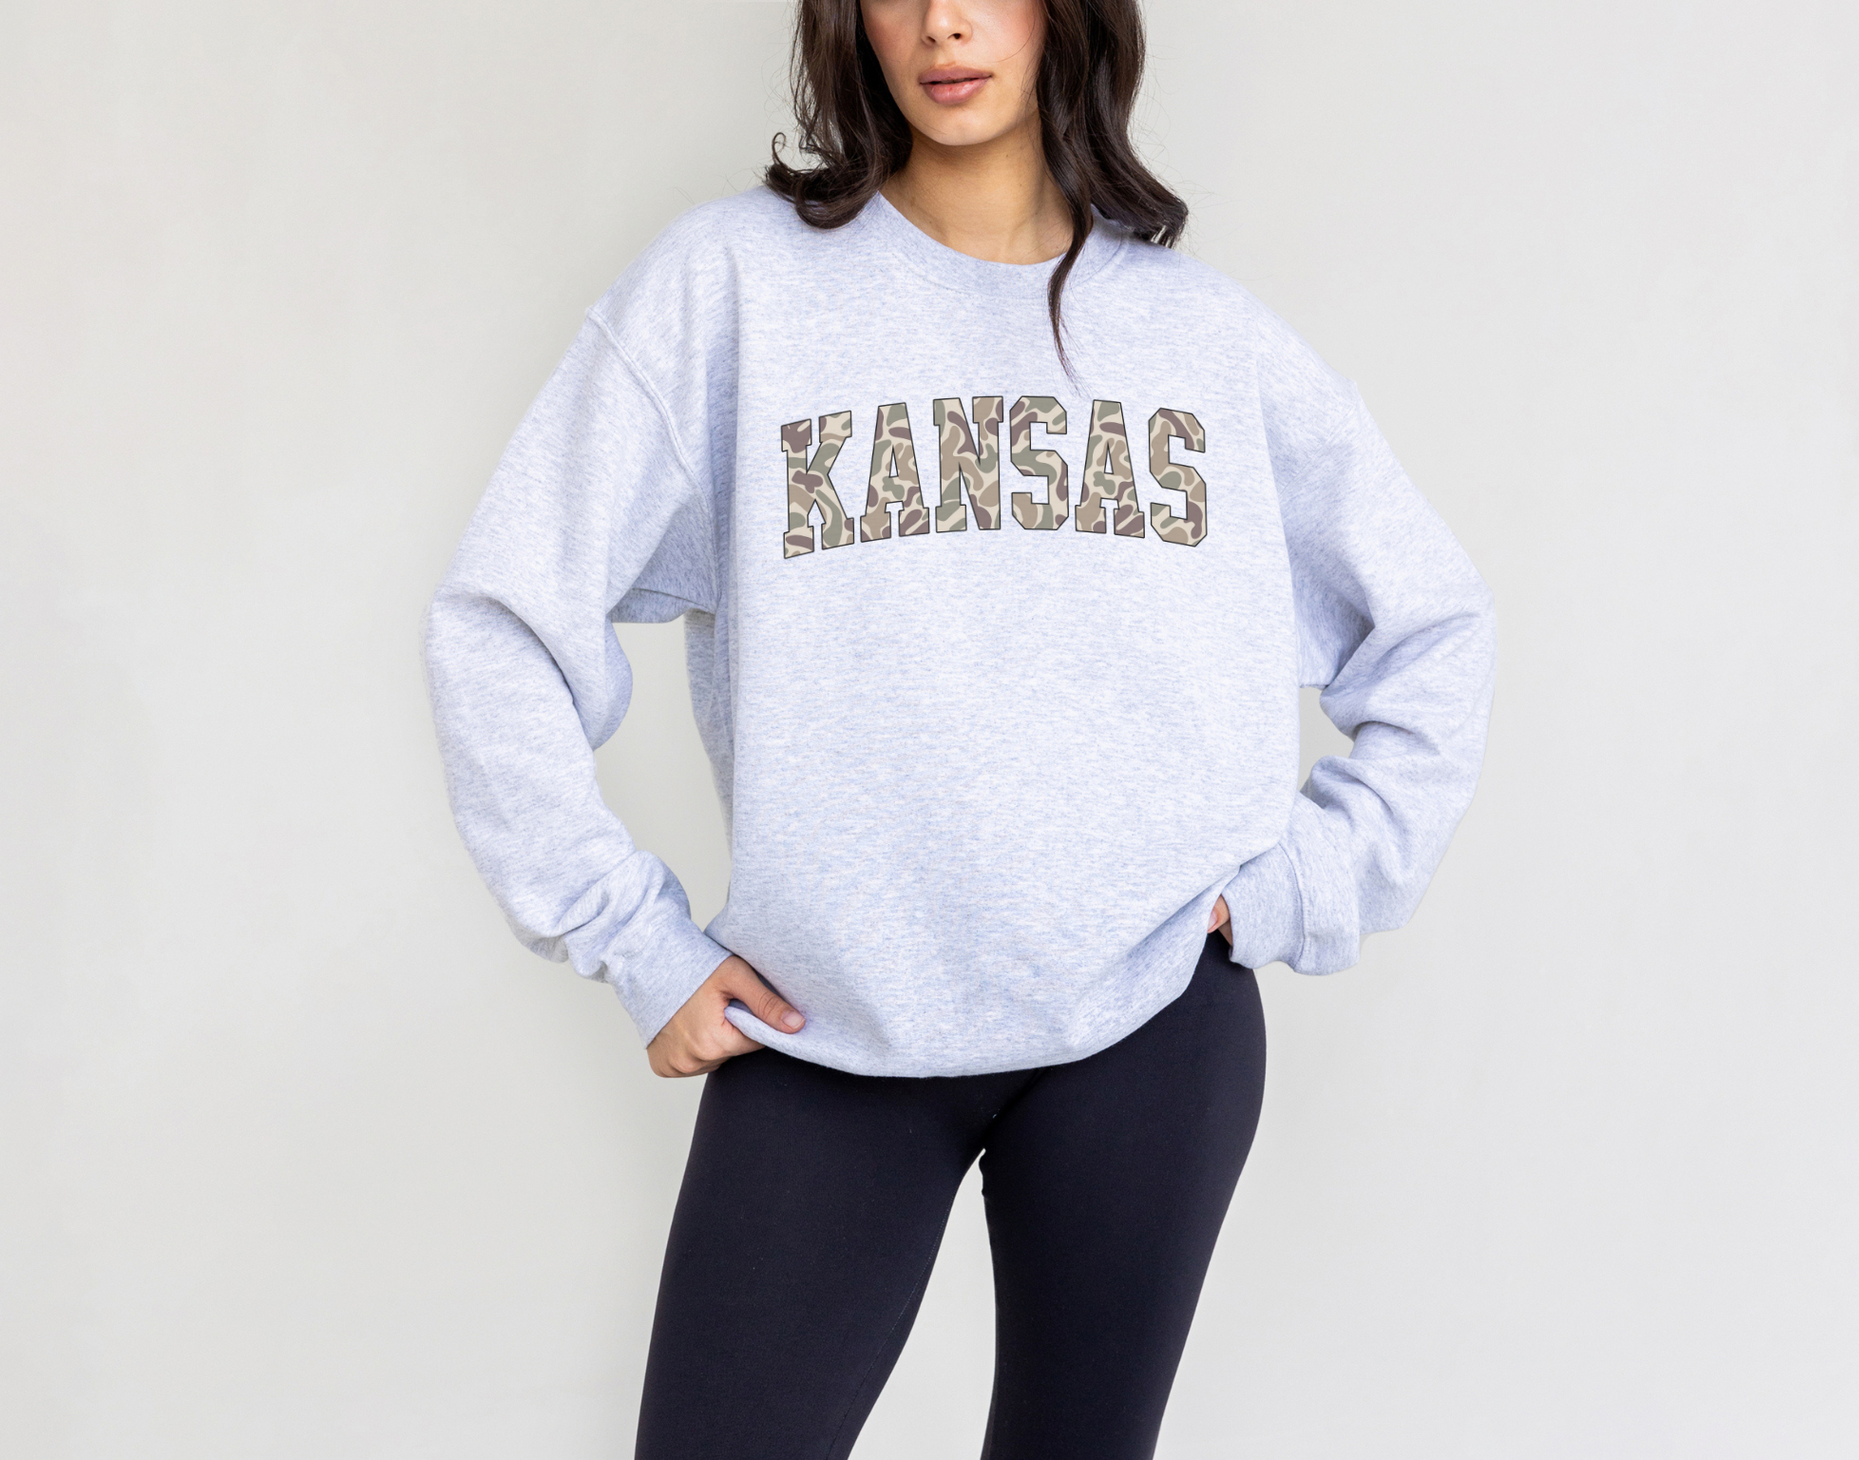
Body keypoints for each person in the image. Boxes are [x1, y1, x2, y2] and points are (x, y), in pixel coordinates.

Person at [425, 0, 1495, 1455]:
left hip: (1146, 1025)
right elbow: (500, 618)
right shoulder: (732, 290)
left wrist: (1306, 884)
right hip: (823, 1026)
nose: (942, 22)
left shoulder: (1205, 342)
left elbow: (1433, 628)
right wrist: (629, 933)